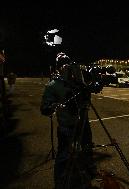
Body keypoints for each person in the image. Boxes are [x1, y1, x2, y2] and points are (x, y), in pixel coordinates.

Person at [40, 52, 96, 188]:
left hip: (83, 124)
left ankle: (87, 175)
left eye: (67, 64)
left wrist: (84, 83)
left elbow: (87, 98)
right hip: (66, 126)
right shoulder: (52, 85)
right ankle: (60, 183)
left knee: (86, 149)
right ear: (58, 67)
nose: (66, 67)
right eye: (62, 65)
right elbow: (44, 109)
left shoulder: (77, 82)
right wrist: (55, 105)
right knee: (64, 156)